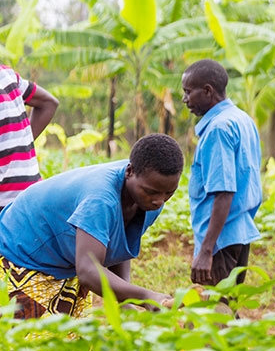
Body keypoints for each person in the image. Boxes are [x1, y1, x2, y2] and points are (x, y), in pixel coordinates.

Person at [0, 133, 182, 319]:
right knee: (26, 341)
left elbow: (118, 240)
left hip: (64, 258)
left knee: (67, 338)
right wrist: (146, 296)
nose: (159, 201)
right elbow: (88, 270)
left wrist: (125, 301)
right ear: (129, 172)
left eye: (169, 192)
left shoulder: (145, 194)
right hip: (21, 251)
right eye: (151, 192)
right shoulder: (100, 200)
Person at [181, 59, 263, 288]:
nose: (184, 99)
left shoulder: (219, 128)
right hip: (239, 233)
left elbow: (225, 192)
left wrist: (207, 250)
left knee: (214, 314)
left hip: (220, 241)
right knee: (227, 310)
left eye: (188, 92)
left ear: (207, 91)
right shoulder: (242, 119)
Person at [0, 64, 59, 209]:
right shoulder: (7, 75)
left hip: (5, 211)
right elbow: (49, 103)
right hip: (33, 200)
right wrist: (21, 143)